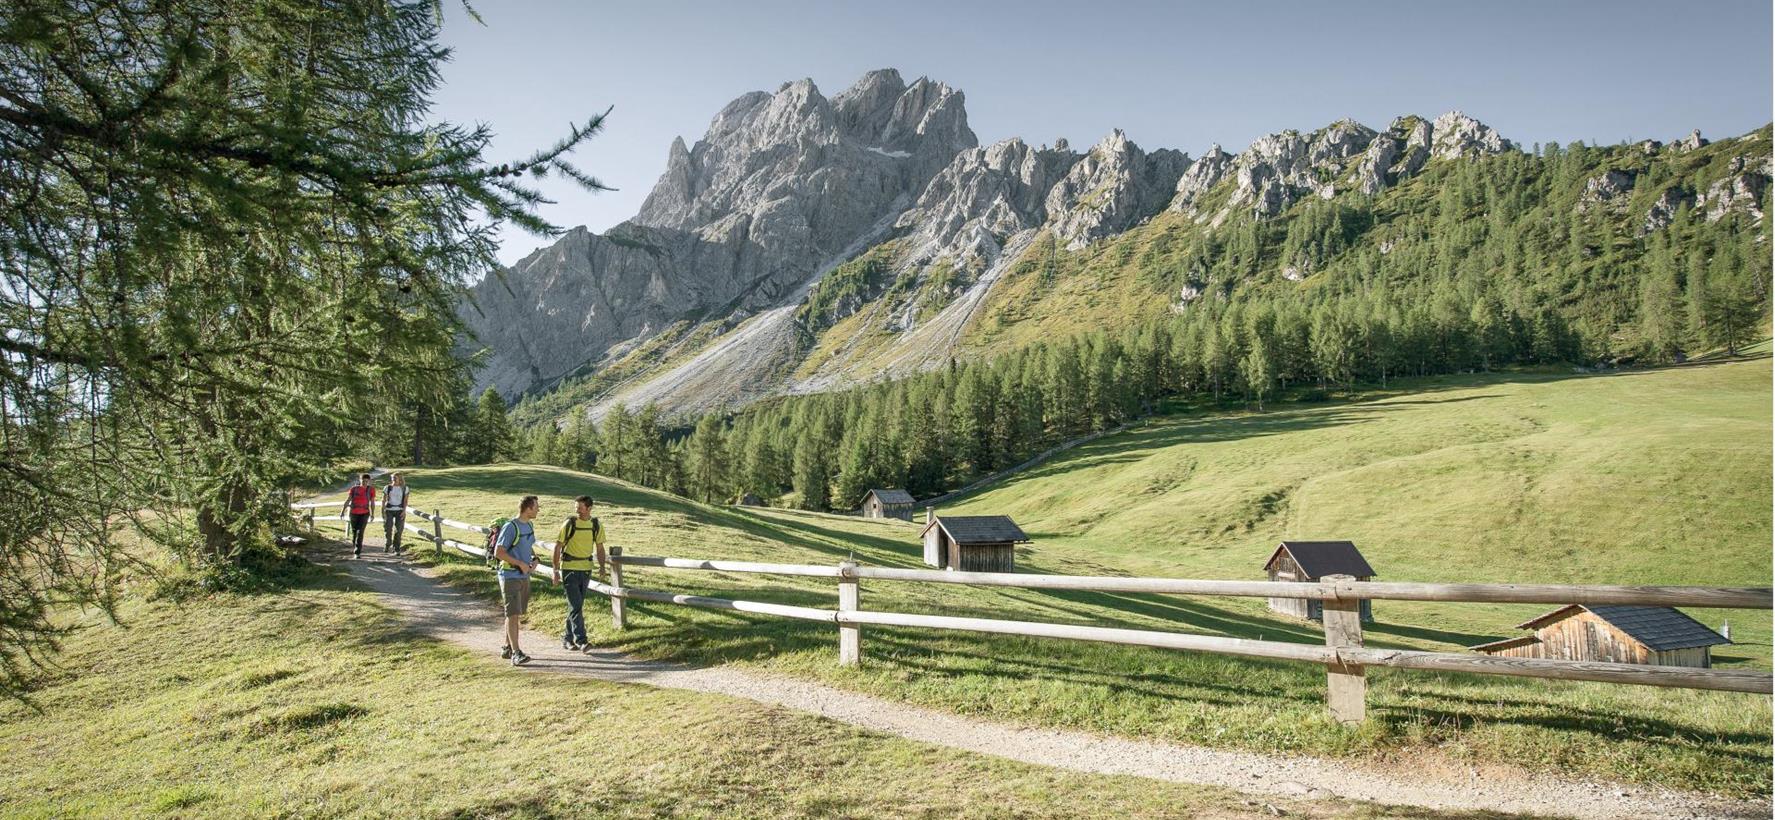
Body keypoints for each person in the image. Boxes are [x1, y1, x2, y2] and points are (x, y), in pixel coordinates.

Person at [551, 495, 608, 652]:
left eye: (580, 508)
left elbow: (600, 548)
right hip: (569, 569)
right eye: (576, 508)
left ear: (589, 508)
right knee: (576, 605)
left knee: (576, 605)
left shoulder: (596, 525)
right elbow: (557, 547)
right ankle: (582, 640)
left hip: (586, 569)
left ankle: (567, 639)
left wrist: (602, 567)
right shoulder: (569, 523)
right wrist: (555, 571)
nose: (577, 511)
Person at [493, 495, 541, 666]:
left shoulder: (529, 525)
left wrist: (535, 559)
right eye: (536, 507)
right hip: (509, 576)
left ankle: (507, 647)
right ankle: (516, 653)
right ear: (528, 508)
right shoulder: (510, 527)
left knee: (515, 613)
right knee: (512, 614)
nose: (538, 510)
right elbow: (498, 552)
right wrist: (520, 563)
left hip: (524, 576)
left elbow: (528, 546)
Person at [339, 473, 376, 558]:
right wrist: (342, 511)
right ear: (360, 480)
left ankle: (357, 552)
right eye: (363, 481)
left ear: (369, 481)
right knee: (354, 531)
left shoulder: (371, 490)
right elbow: (348, 500)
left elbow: (372, 502)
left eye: (367, 481)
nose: (365, 483)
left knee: (360, 532)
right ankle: (354, 544)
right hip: (354, 513)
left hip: (365, 513)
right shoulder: (354, 489)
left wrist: (373, 514)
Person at [381, 473, 410, 554]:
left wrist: (404, 511)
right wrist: (383, 510)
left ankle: (396, 548)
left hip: (400, 510)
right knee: (388, 528)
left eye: (395, 478)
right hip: (389, 510)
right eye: (392, 478)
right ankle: (388, 544)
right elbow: (383, 500)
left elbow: (405, 501)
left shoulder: (405, 488)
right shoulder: (387, 487)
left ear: (400, 479)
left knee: (399, 530)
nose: (393, 479)